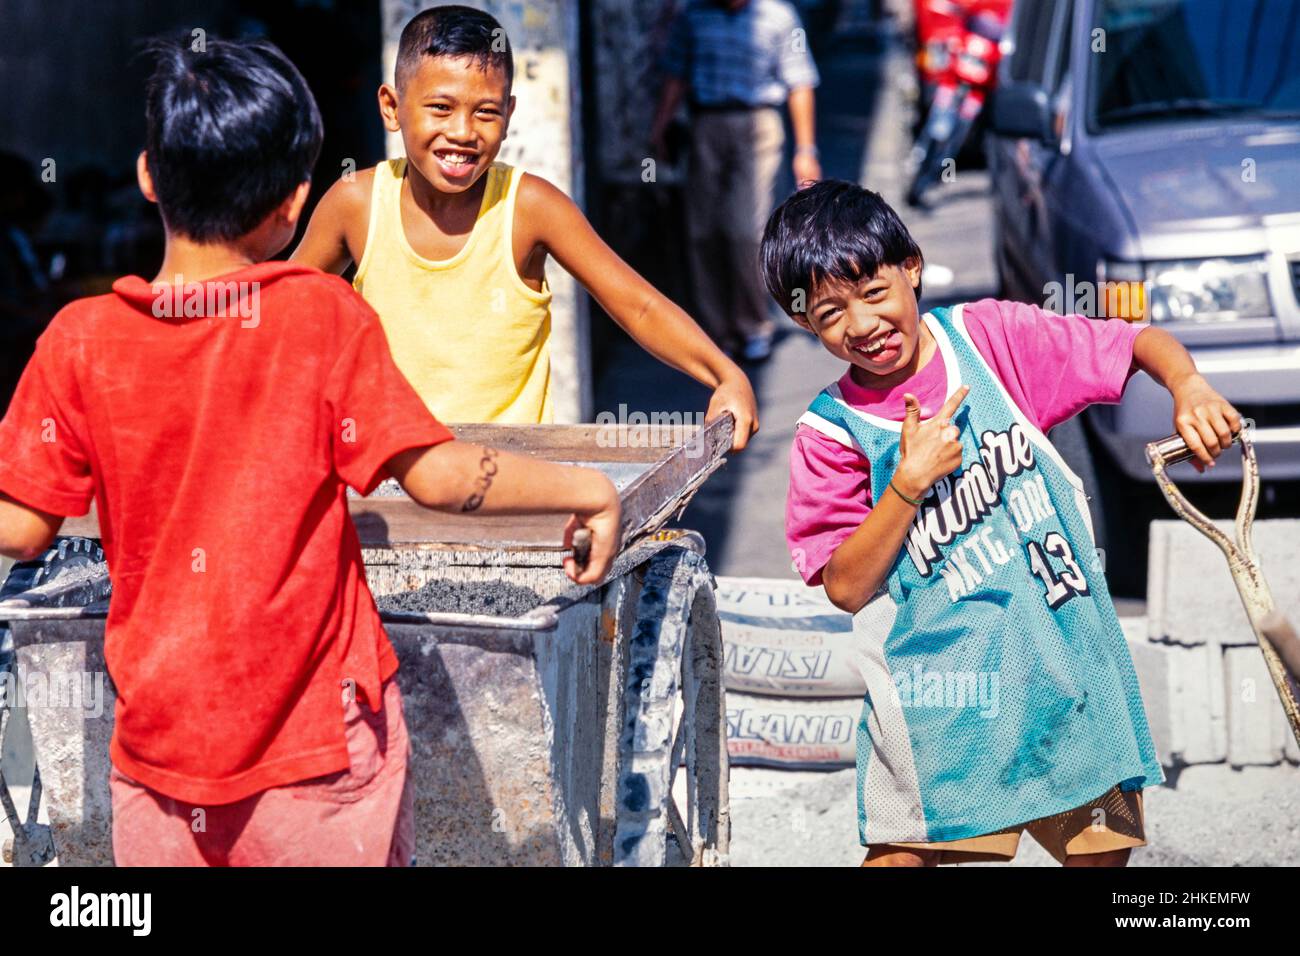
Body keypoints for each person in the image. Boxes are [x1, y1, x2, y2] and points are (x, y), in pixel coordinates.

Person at [0, 35, 621, 867]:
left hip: (156, 756)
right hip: (322, 750)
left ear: (149, 175)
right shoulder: (319, 317)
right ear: (295, 204)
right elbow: (436, 474)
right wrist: (588, 489)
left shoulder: (81, 340)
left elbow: (25, 527)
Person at [766, 180, 1242, 867]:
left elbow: (1135, 343)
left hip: (1069, 669)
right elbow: (843, 585)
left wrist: (1187, 385)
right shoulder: (830, 435)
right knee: (907, 856)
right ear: (804, 321)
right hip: (943, 701)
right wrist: (904, 486)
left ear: (912, 268)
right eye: (831, 312)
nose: (862, 325)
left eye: (873, 294)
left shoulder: (990, 341)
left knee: (1103, 848)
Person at [294, 4, 758, 448]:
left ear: (509, 115)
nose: (462, 132)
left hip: (514, 486)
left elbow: (637, 306)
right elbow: (285, 312)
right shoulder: (356, 203)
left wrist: (725, 375)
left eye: (486, 112)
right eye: (440, 107)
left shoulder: (530, 207)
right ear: (392, 107)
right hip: (386, 479)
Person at [650, 0, 822, 362]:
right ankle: (715, 332)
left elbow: (800, 81)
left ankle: (753, 325)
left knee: (746, 230)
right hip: (706, 124)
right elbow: (676, 73)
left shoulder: (778, 16)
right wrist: (660, 126)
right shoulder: (694, 15)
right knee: (702, 231)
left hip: (757, 125)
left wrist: (806, 150)